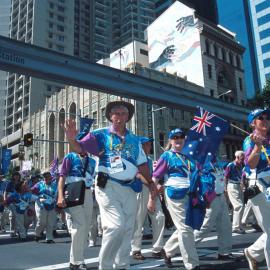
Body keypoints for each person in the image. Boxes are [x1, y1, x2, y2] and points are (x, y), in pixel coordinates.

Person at [61, 100, 156, 270]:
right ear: (110, 116)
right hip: (108, 186)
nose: (119, 116)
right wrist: (71, 138)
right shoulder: (100, 134)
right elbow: (79, 148)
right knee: (114, 227)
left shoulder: (134, 139)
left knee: (127, 229)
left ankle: (121, 265)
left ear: (128, 117)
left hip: (130, 188)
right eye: (116, 113)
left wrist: (150, 183)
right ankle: (104, 266)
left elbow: (142, 165)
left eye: (123, 113)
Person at [152, 128, 200, 270]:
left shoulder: (189, 156)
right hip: (175, 194)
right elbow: (155, 177)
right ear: (171, 141)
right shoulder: (167, 156)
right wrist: (151, 198)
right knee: (185, 229)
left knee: (186, 227)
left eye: (181, 137)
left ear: (185, 139)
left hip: (190, 194)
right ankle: (192, 264)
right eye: (175, 137)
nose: (178, 139)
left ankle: (167, 250)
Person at [58, 150, 95, 270]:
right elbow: (62, 177)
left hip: (88, 193)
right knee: (80, 225)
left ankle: (77, 259)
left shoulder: (93, 161)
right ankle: (77, 262)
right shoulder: (70, 157)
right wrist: (60, 196)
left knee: (85, 227)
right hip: (74, 192)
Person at [243, 108, 270, 270]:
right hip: (261, 187)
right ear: (253, 123)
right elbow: (251, 164)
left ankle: (254, 253)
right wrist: (257, 146)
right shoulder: (250, 140)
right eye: (261, 118)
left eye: (268, 117)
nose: (265, 119)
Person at [131, 137, 165, 260]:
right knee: (138, 220)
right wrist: (152, 184)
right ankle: (136, 249)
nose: (149, 146)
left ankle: (157, 248)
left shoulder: (150, 160)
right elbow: (138, 175)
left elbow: (154, 175)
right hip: (141, 189)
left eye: (150, 144)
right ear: (140, 146)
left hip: (152, 188)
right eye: (146, 144)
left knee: (159, 217)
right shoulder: (134, 159)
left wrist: (157, 184)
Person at [194, 162, 234, 260]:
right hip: (211, 198)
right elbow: (202, 181)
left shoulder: (217, 162)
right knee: (205, 227)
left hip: (221, 196)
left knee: (225, 225)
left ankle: (224, 252)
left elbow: (221, 178)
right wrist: (206, 197)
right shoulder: (203, 162)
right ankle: (183, 246)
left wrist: (224, 192)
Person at [31, 171, 57, 243]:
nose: (47, 178)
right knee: (42, 222)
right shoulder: (39, 184)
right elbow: (31, 191)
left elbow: (58, 194)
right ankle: (37, 234)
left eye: (48, 176)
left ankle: (49, 238)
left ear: (51, 177)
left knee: (50, 222)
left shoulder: (55, 185)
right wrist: (38, 197)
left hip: (52, 205)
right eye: (45, 176)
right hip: (41, 205)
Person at [224, 151, 245, 234]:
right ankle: (236, 227)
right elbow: (225, 176)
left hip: (238, 185)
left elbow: (241, 176)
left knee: (238, 206)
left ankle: (238, 225)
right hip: (232, 185)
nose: (243, 158)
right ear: (237, 157)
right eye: (242, 157)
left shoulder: (240, 165)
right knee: (239, 206)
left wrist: (242, 185)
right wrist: (225, 188)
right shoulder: (231, 165)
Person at [4, 171, 21, 237]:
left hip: (19, 202)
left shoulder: (20, 183)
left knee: (18, 217)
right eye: (15, 175)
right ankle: (12, 232)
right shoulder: (10, 183)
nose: (16, 176)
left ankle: (17, 231)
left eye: (17, 175)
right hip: (11, 201)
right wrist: (5, 200)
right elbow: (6, 192)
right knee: (12, 216)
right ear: (13, 176)